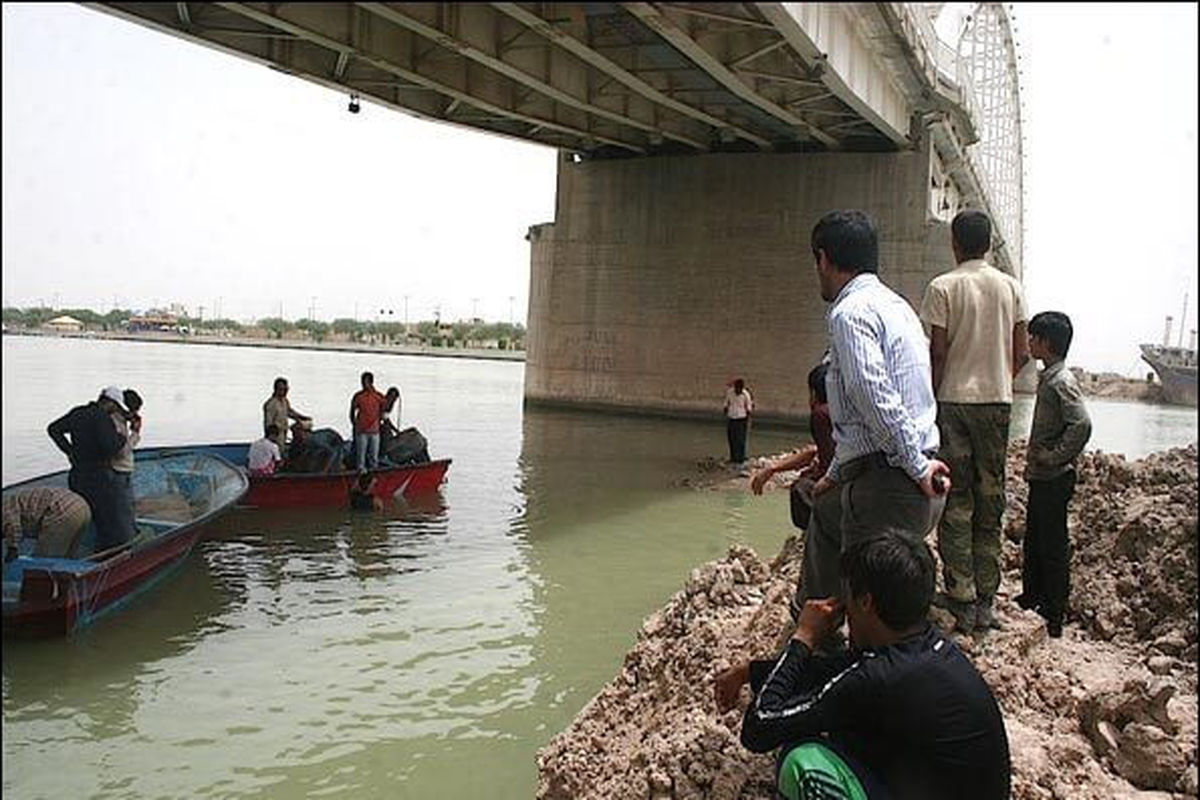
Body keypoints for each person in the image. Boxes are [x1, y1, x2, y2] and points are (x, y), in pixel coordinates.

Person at [715, 531, 1011, 800]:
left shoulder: (879, 678)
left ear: (866, 602)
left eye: (848, 597)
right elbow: (832, 672)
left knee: (803, 763)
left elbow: (759, 728)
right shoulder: (924, 649)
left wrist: (803, 637)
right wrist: (747, 672)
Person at [809, 210, 952, 548]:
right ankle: (813, 601)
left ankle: (822, 600)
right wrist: (834, 475)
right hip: (914, 479)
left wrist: (916, 468)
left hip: (894, 485)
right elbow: (862, 421)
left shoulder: (850, 313)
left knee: (868, 597)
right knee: (825, 515)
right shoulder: (898, 307)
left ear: (823, 259)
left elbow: (872, 394)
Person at [919, 209, 1030, 634]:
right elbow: (1021, 353)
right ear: (988, 244)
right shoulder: (1011, 287)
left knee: (956, 500)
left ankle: (960, 596)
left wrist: (933, 398)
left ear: (955, 243)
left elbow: (938, 353)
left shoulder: (943, 286)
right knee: (991, 499)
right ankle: (987, 600)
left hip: (953, 401)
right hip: (996, 403)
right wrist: (1000, 381)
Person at [1015, 311, 1092, 638]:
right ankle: (1033, 597)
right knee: (1035, 538)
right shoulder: (1050, 377)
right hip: (1045, 477)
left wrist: (1051, 457)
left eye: (1033, 337)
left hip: (1055, 477)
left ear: (1046, 343)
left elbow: (1082, 425)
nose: (1029, 342)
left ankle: (1054, 611)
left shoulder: (1061, 381)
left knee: (1052, 544)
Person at [47, 386, 132, 552]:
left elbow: (53, 429)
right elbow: (111, 447)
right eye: (116, 407)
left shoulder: (78, 412)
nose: (115, 411)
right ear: (110, 403)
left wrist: (69, 451)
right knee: (108, 522)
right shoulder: (102, 418)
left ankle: (76, 550)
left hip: (77, 476)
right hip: (99, 479)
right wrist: (122, 437)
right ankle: (108, 557)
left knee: (80, 516)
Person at [3, 487, 93, 560]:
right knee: (65, 560)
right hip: (82, 507)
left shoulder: (4, 505)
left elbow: (12, 526)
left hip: (62, 510)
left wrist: (12, 549)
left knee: (43, 562)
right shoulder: (13, 499)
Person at [110, 388, 143, 541]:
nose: (134, 415)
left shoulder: (120, 421)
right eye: (133, 411)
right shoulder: (114, 423)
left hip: (123, 472)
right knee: (123, 512)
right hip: (117, 472)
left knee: (127, 509)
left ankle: (130, 536)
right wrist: (135, 433)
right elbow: (121, 452)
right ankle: (127, 542)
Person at [349, 371, 387, 471]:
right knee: (361, 460)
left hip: (374, 432)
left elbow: (384, 409)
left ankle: (374, 475)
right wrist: (354, 425)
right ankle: (360, 476)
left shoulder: (378, 396)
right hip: (361, 432)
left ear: (370, 382)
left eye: (364, 382)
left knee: (374, 458)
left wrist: (380, 419)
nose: (363, 384)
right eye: (362, 382)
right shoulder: (358, 396)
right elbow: (352, 411)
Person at [262, 377, 311, 453]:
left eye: (286, 389)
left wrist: (301, 417)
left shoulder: (284, 401)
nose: (284, 392)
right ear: (276, 389)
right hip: (275, 435)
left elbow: (289, 412)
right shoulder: (271, 404)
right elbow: (268, 424)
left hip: (284, 432)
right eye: (282, 389)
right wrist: (272, 439)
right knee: (278, 453)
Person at [723, 378, 754, 465]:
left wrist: (748, 421)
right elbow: (726, 404)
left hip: (741, 419)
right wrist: (726, 414)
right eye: (736, 388)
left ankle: (741, 458)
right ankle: (733, 457)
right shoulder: (730, 392)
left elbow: (749, 408)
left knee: (741, 439)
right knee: (732, 439)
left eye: (739, 389)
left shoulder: (746, 395)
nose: (738, 390)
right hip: (732, 418)